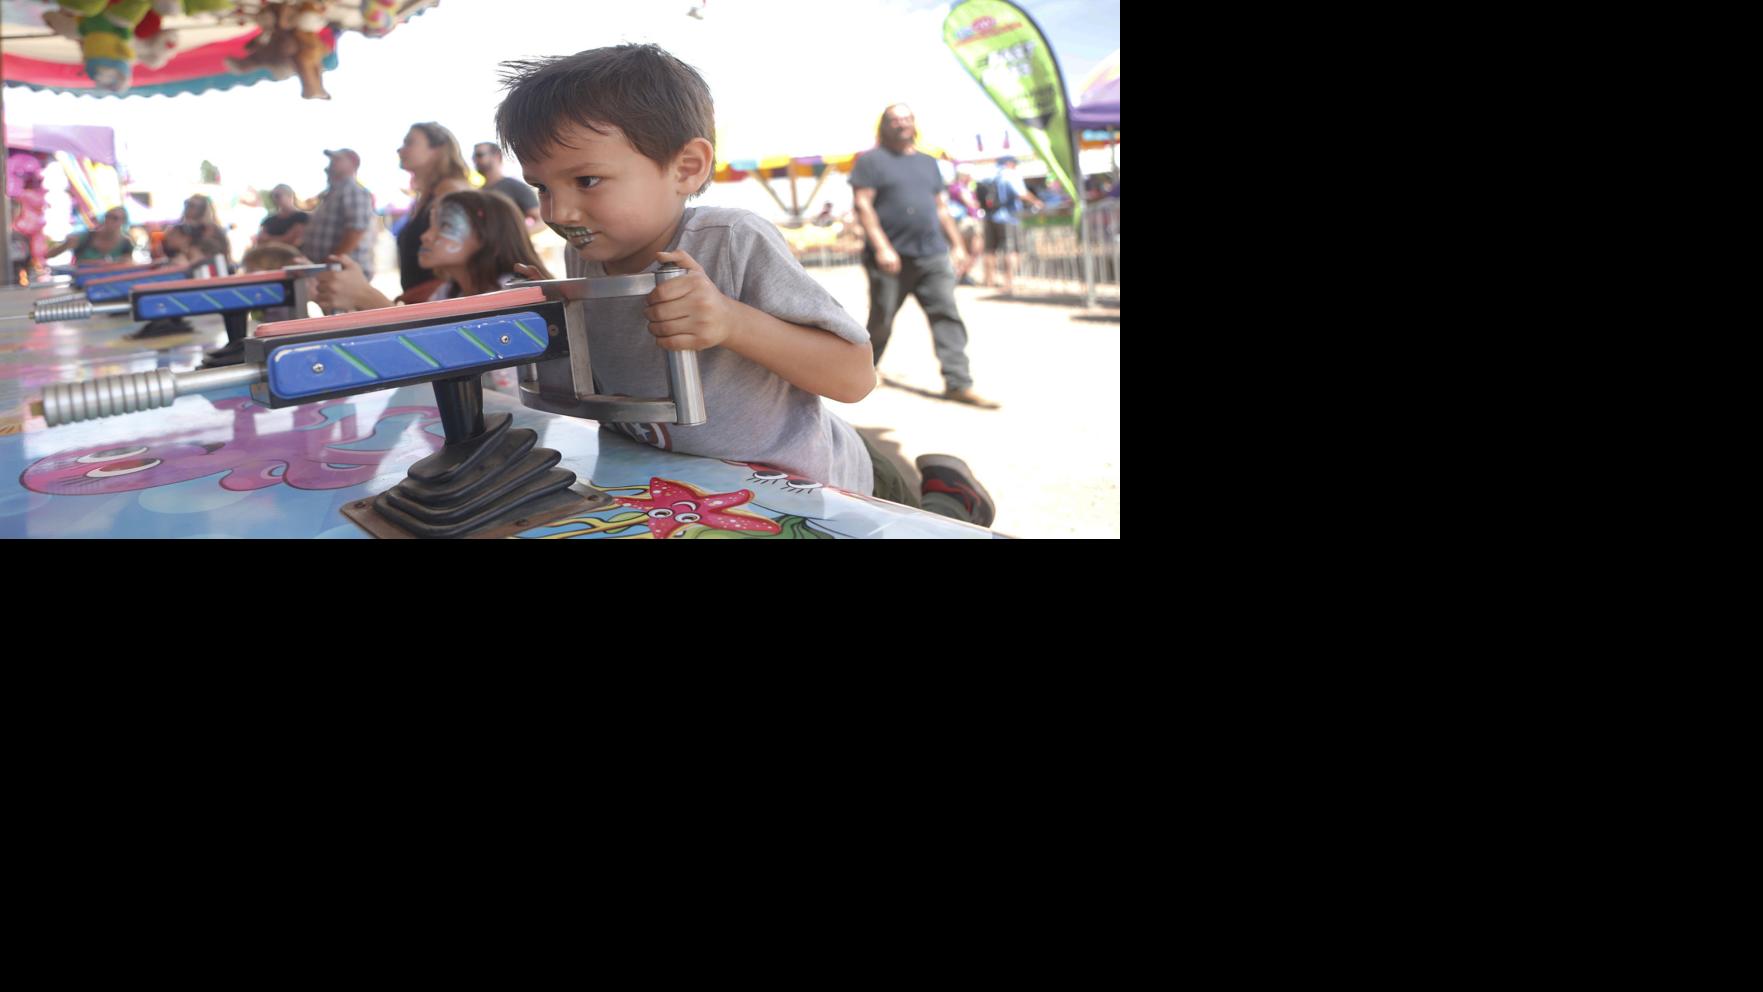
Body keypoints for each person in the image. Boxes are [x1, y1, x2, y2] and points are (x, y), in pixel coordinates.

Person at [493, 44, 994, 527]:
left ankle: (954, 493)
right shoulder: (582, 256)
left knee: (932, 527)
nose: (558, 212)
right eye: (543, 187)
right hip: (698, 491)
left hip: (819, 489)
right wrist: (560, 324)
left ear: (686, 167)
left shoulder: (731, 242)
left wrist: (731, 321)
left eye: (586, 181)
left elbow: (854, 376)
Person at [850, 103, 998, 409]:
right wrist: (882, 247)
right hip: (890, 257)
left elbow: (941, 208)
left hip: (932, 254)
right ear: (884, 126)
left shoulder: (929, 163)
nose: (901, 124)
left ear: (914, 124)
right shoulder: (871, 162)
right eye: (894, 119)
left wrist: (956, 244)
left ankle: (959, 383)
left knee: (946, 315)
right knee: (882, 318)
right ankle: (861, 372)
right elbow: (863, 205)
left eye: (906, 118)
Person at [314, 189, 551, 310]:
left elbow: (445, 351)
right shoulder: (449, 291)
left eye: (444, 225)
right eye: (430, 225)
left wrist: (365, 296)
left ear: (487, 235)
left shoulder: (511, 292)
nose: (426, 236)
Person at [395, 123, 474, 298]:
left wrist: (431, 292)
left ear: (437, 149)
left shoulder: (451, 190)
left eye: (409, 143)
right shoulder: (429, 193)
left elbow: (468, 258)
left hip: (442, 303)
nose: (400, 150)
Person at [301, 149, 376, 280]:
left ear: (353, 164)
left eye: (337, 159)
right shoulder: (333, 193)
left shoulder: (352, 190)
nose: (330, 164)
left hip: (344, 272)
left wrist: (331, 261)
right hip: (334, 270)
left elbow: (355, 231)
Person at [980, 155, 1042, 294]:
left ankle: (989, 281)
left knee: (990, 249)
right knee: (1012, 250)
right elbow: (1021, 193)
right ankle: (1008, 282)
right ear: (1009, 163)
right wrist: (1036, 201)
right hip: (1008, 217)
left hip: (990, 216)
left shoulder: (988, 174)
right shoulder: (1010, 174)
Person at [471, 142, 542, 227]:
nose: (475, 160)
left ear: (497, 157)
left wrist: (515, 236)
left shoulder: (514, 186)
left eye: (479, 155)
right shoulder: (479, 192)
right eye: (474, 156)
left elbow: (540, 221)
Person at [48, 206, 135, 263]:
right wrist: (65, 245)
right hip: (81, 285)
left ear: (123, 222)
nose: (109, 220)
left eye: (115, 218)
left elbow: (127, 264)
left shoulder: (126, 243)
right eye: (107, 216)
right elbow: (48, 255)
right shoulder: (85, 237)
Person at [171, 194, 233, 266]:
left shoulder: (213, 232)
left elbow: (218, 254)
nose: (188, 209)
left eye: (192, 206)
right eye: (187, 204)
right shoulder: (180, 229)